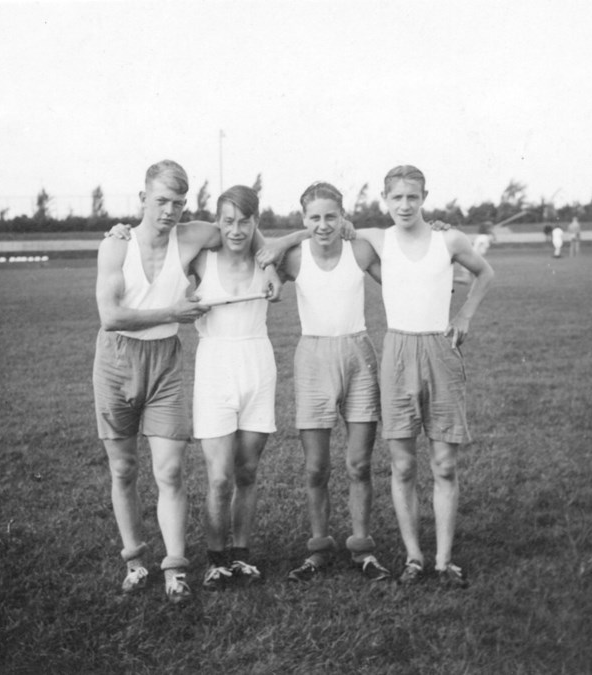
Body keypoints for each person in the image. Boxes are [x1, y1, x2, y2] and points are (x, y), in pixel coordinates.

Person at [267, 166, 494, 587]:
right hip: (355, 355)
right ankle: (368, 553)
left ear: (424, 196)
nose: (405, 205)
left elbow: (463, 272)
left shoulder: (411, 242)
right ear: (385, 200)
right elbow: (300, 242)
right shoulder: (339, 246)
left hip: (406, 352)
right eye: (397, 198)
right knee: (360, 466)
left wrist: (459, 306)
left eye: (413, 197)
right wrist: (281, 244)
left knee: (404, 464)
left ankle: (409, 556)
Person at [94, 161, 278, 603]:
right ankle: (135, 561)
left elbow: (245, 227)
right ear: (143, 199)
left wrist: (269, 262)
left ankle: (175, 568)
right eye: (160, 201)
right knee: (123, 468)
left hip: (166, 361)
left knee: (170, 470)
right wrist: (173, 313)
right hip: (116, 360)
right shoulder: (116, 246)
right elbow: (111, 317)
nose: (169, 210)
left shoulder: (194, 235)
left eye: (178, 202)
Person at [274, 182, 392, 584]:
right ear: (303, 219)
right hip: (312, 360)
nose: (323, 225)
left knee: (359, 464)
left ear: (342, 216)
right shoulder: (293, 258)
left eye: (330, 216)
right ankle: (319, 548)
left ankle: (363, 548)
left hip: (358, 355)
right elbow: (253, 257)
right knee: (315, 468)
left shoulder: (358, 251)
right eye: (314, 218)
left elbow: (399, 280)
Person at [191, 186, 277, 591]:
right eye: (227, 221)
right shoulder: (200, 260)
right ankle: (215, 560)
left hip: (257, 365)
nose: (236, 230)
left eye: (245, 221)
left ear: (256, 222)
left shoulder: (271, 261)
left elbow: (315, 240)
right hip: (214, 368)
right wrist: (119, 230)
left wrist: (275, 260)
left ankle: (241, 557)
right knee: (220, 477)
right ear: (217, 222)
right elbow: (159, 239)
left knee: (247, 472)